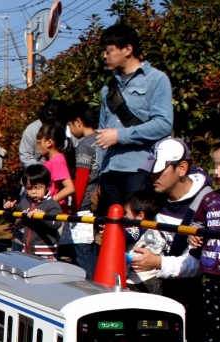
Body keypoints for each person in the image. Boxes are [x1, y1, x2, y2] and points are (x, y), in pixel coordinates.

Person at [131, 137, 212, 342]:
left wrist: (158, 263)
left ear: (182, 168)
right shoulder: (152, 193)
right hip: (144, 277)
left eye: (159, 170)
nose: (153, 176)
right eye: (151, 170)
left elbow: (199, 264)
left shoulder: (207, 203)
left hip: (183, 289)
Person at [96, 24, 174, 215]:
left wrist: (121, 135)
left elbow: (163, 124)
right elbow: (101, 132)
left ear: (128, 49)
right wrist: (100, 175)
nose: (105, 56)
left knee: (139, 230)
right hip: (109, 171)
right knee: (114, 232)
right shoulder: (108, 88)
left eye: (109, 51)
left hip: (139, 169)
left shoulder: (156, 80)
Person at [189, 142, 220, 342]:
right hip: (212, 270)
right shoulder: (209, 198)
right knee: (213, 312)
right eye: (215, 166)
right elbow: (197, 226)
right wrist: (194, 237)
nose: (218, 172)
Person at [67, 101, 100, 279]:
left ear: (78, 122)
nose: (70, 130)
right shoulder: (102, 139)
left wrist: (74, 205)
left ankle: (91, 284)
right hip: (100, 201)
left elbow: (81, 178)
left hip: (85, 203)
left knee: (83, 249)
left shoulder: (84, 145)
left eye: (70, 125)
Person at [3, 165, 62, 259]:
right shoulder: (25, 202)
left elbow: (57, 223)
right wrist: (12, 207)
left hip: (45, 251)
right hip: (27, 249)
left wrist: (43, 217)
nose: (34, 191)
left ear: (47, 186)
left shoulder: (51, 204)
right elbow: (18, 211)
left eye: (37, 188)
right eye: (29, 188)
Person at [124, 190, 168, 294]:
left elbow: (128, 236)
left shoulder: (138, 228)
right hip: (156, 278)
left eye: (126, 213)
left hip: (140, 279)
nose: (124, 217)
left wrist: (113, 228)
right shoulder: (157, 229)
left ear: (140, 216)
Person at [37, 123, 75, 214]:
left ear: (49, 142)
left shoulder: (57, 161)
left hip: (55, 213)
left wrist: (49, 203)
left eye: (39, 141)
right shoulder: (49, 161)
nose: (37, 145)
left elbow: (70, 188)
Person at [19, 100, 68, 169]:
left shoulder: (60, 129)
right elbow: (27, 157)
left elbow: (63, 148)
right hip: (38, 174)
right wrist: (44, 171)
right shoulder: (36, 130)